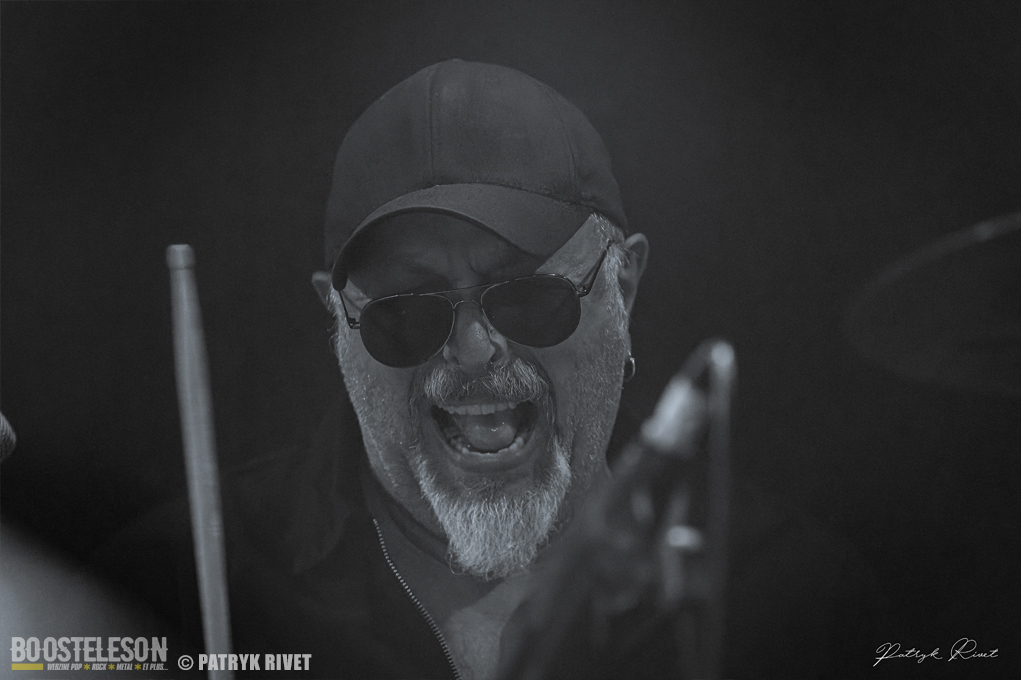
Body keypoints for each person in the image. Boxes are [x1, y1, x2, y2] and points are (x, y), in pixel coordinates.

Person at [99, 59, 881, 680]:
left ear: (624, 286)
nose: (473, 351)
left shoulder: (786, 602)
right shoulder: (168, 587)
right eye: (406, 311)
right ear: (334, 321)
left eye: (529, 297)